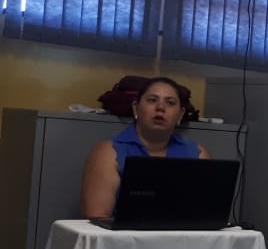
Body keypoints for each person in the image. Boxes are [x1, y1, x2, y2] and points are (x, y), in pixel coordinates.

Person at [81, 75, 209, 218]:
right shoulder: (109, 153)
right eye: (152, 100)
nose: (160, 108)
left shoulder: (198, 154)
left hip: (184, 232)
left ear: (180, 115)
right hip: (124, 232)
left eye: (170, 103)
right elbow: (96, 217)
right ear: (136, 108)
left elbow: (209, 214)